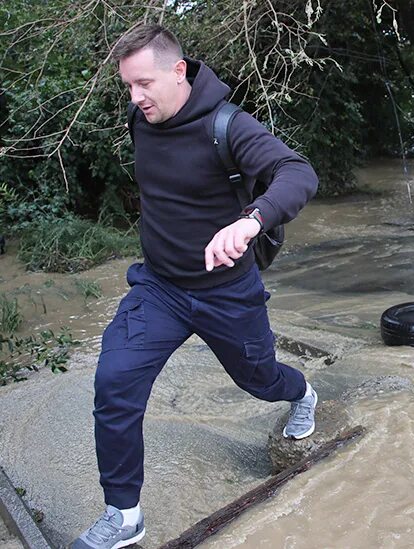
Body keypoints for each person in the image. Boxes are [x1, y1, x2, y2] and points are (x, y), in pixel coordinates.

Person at [71, 25, 319, 549]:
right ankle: (124, 515)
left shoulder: (228, 126)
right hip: (159, 288)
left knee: (261, 381)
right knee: (114, 382)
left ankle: (303, 393)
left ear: (178, 71)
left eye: (143, 84)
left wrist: (250, 221)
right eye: (128, 89)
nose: (136, 99)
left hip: (227, 292)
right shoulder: (142, 120)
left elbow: (296, 172)